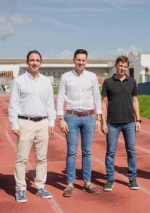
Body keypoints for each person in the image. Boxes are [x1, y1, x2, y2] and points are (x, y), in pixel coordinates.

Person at [8, 50, 56, 203]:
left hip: (42, 123)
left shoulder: (46, 82)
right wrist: (15, 124)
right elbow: (13, 105)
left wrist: (51, 122)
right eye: (32, 60)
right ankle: (21, 188)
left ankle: (40, 186)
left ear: (41, 63)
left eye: (37, 60)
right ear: (27, 62)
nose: (35, 63)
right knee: (21, 158)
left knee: (42, 158)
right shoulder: (19, 81)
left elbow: (50, 104)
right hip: (25, 123)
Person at [56, 49, 102, 197]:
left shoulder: (92, 77)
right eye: (78, 60)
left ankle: (87, 183)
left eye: (83, 60)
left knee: (88, 151)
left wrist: (99, 118)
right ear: (73, 60)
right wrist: (61, 118)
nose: (81, 62)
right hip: (71, 117)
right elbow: (60, 98)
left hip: (89, 117)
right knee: (71, 151)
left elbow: (96, 97)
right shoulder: (65, 77)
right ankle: (69, 184)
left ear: (86, 61)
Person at [101, 55, 141, 192]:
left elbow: (135, 101)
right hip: (112, 123)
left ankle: (132, 178)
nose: (122, 68)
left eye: (125, 66)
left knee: (131, 151)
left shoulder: (132, 82)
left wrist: (138, 120)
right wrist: (103, 122)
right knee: (110, 152)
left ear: (127, 67)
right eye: (120, 65)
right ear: (116, 66)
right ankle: (109, 179)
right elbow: (104, 102)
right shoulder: (108, 82)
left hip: (129, 122)